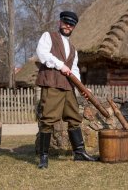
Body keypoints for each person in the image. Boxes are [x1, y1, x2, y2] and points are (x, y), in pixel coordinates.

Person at [35, 11, 96, 169]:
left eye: (71, 24)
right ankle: (44, 156)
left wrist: (81, 87)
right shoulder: (48, 36)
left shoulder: (73, 48)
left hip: (68, 86)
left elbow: (74, 70)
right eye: (65, 22)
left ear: (74, 27)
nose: (68, 26)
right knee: (48, 119)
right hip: (52, 83)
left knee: (74, 117)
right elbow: (42, 54)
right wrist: (59, 65)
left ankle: (79, 152)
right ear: (60, 22)